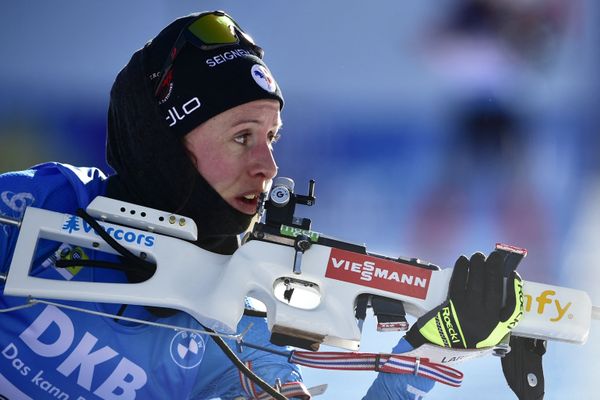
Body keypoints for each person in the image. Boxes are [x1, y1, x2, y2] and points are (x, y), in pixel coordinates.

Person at [0, 11, 523, 400]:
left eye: (272, 136)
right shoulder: (44, 205)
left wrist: (424, 351)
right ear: (164, 144)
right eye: (242, 137)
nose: (268, 166)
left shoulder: (247, 320)